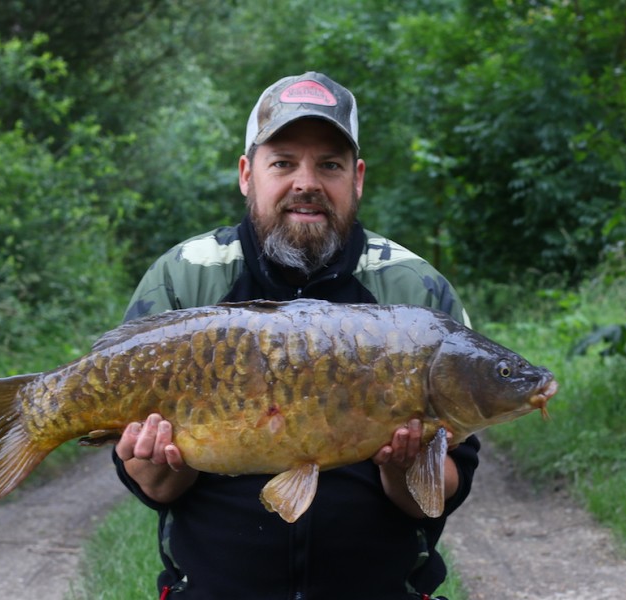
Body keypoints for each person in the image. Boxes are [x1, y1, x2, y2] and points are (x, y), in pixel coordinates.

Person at [112, 71, 480, 600]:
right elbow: (153, 486)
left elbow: (445, 488)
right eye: (283, 162)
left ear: (357, 178)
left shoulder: (413, 288)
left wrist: (403, 470)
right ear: (246, 174)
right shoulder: (184, 277)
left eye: (329, 165)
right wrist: (155, 462)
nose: (306, 182)